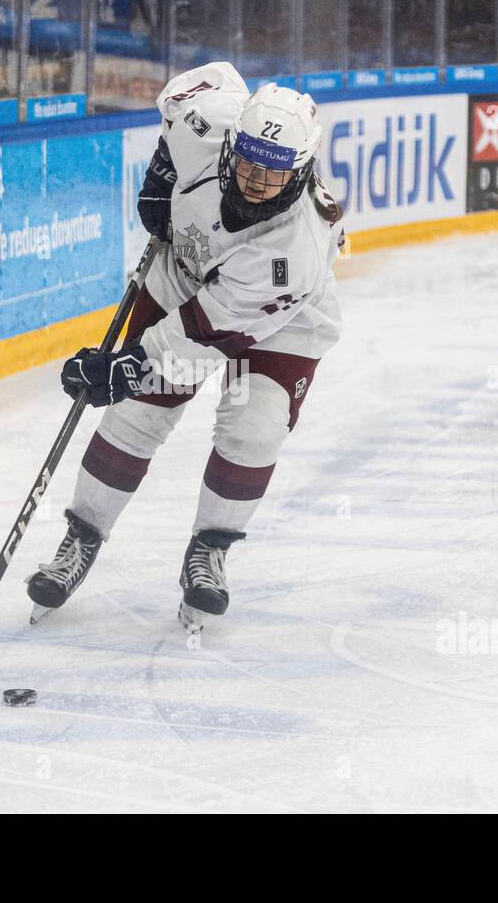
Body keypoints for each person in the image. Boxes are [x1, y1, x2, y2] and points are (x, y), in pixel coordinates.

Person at [27, 61, 344, 633]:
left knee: (255, 425)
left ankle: (210, 549)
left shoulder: (295, 251)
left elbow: (206, 330)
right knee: (137, 412)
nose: (255, 182)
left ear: (301, 172)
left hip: (278, 319)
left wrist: (128, 365)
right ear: (233, 144)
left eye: (273, 176)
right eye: (247, 163)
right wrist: (163, 168)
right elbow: (201, 84)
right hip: (187, 271)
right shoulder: (209, 123)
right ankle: (80, 539)